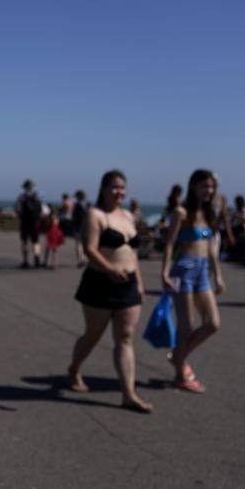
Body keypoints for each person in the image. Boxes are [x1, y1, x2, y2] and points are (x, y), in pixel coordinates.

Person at [68, 170, 152, 413]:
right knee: (92, 336)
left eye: (123, 187)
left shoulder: (128, 216)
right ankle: (74, 368)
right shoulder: (96, 215)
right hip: (100, 282)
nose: (120, 192)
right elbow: (90, 249)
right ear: (104, 188)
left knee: (125, 337)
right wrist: (109, 269)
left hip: (128, 284)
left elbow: (133, 253)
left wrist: (140, 283)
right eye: (115, 187)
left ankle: (129, 394)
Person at [161, 169, 224, 393]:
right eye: (204, 186)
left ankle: (178, 357)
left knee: (213, 324)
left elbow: (212, 249)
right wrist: (165, 272)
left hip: (203, 271)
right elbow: (169, 244)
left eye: (211, 187)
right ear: (193, 186)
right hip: (184, 270)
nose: (209, 191)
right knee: (185, 327)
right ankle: (180, 374)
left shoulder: (208, 213)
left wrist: (218, 275)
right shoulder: (181, 212)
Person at [14, 179, 43, 268]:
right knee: (36, 242)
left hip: (25, 223)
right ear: (32, 187)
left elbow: (17, 209)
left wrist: (21, 217)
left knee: (24, 242)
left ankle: (25, 261)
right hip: (35, 223)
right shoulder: (37, 196)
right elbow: (41, 210)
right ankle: (37, 260)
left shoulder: (21, 197)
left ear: (24, 187)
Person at [72, 190, 89, 267]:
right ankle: (85, 258)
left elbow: (74, 217)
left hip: (79, 227)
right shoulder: (88, 205)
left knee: (79, 244)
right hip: (87, 226)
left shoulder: (77, 205)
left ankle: (80, 260)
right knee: (86, 244)